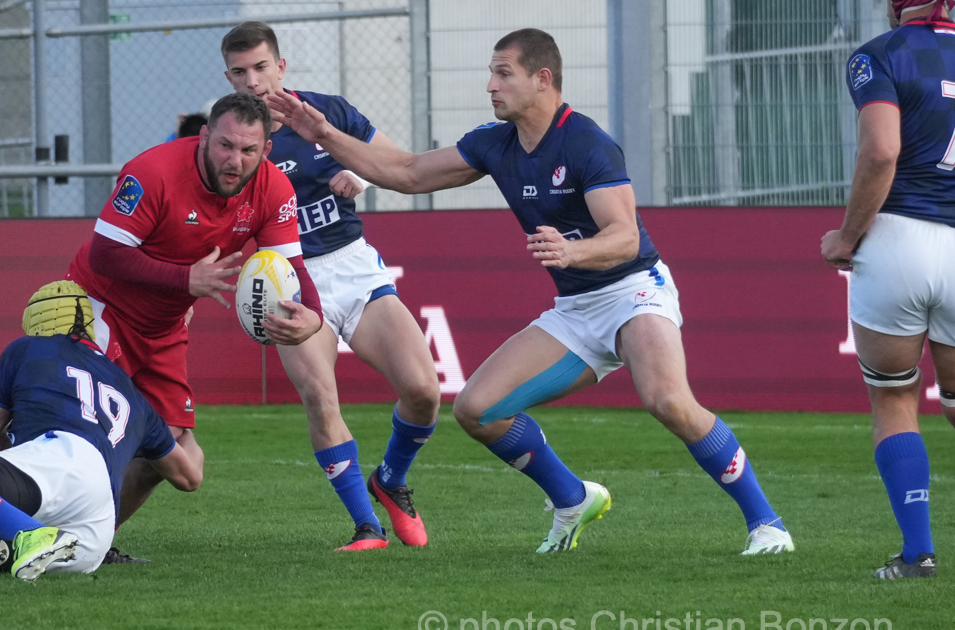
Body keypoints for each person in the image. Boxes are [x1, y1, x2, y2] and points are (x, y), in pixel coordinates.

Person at [270, 28, 795, 555]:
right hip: (576, 307)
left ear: (542, 79)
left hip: (634, 291)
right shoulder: (496, 142)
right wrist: (324, 133)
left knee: (668, 400)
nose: (490, 86)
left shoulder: (586, 142)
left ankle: (767, 524)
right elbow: (407, 173)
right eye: (491, 73)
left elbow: (625, 237)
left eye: (503, 74)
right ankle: (572, 499)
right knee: (476, 410)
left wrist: (574, 252)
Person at [66, 92, 324, 560]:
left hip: (162, 330)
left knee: (178, 461)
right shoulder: (153, 171)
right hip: (98, 310)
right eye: (225, 145)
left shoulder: (272, 189)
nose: (235, 160)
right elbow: (105, 253)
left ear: (266, 151)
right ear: (204, 137)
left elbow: (294, 270)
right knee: (78, 433)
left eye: (248, 151)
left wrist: (313, 318)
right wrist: (186, 279)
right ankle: (1, 510)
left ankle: (84, 540)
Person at [221, 21, 440, 551]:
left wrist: (361, 176)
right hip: (288, 279)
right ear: (228, 76)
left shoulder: (325, 113)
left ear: (281, 66)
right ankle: (368, 527)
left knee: (424, 392)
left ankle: (390, 480)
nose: (252, 81)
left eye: (261, 67)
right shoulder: (230, 141)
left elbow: (394, 162)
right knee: (321, 397)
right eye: (239, 72)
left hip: (353, 266)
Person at [0, 281, 199, 581]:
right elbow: (189, 477)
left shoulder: (28, 350)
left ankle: (29, 535)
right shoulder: (132, 393)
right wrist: (185, 427)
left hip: (58, 464)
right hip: (93, 535)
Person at [821, 0, 955, 579]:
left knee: (895, 398)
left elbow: (881, 150)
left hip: (897, 237)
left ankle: (916, 553)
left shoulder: (881, 53)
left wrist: (847, 237)